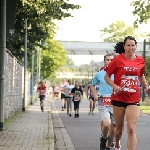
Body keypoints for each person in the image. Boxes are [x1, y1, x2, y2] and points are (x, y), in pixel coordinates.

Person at [104, 36, 150, 150]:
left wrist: (146, 86)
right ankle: (118, 142)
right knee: (119, 130)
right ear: (124, 47)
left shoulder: (140, 60)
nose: (131, 48)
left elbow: (140, 76)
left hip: (133, 99)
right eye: (128, 45)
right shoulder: (117, 60)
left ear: (136, 47)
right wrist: (115, 86)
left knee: (131, 129)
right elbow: (107, 77)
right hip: (118, 98)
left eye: (133, 45)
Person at [90, 53, 116, 150]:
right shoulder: (99, 74)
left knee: (113, 128)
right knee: (106, 124)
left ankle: (108, 146)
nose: (110, 61)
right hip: (103, 101)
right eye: (108, 60)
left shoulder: (119, 73)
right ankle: (103, 138)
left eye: (111, 60)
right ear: (104, 61)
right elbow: (92, 85)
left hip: (116, 103)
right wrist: (95, 95)